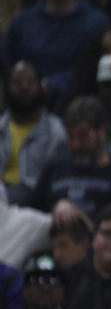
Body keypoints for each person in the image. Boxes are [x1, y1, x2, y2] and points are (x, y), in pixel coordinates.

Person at [0, 60, 67, 206]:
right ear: (7, 87)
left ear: (42, 87)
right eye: (17, 82)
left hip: (35, 202)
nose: (24, 87)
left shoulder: (56, 131)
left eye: (31, 82)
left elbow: (54, 180)